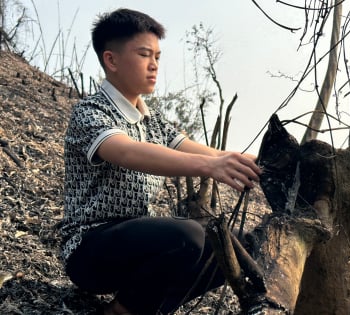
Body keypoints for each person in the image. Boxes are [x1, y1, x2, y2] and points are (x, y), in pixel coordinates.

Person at [59, 8, 261, 315]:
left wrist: (264, 165)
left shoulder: (152, 121)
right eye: (144, 54)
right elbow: (126, 152)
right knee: (188, 236)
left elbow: (206, 152)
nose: (154, 65)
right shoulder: (90, 113)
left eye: (157, 56)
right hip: (90, 249)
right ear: (111, 60)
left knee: (240, 246)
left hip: (141, 245)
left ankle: (143, 307)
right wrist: (211, 168)